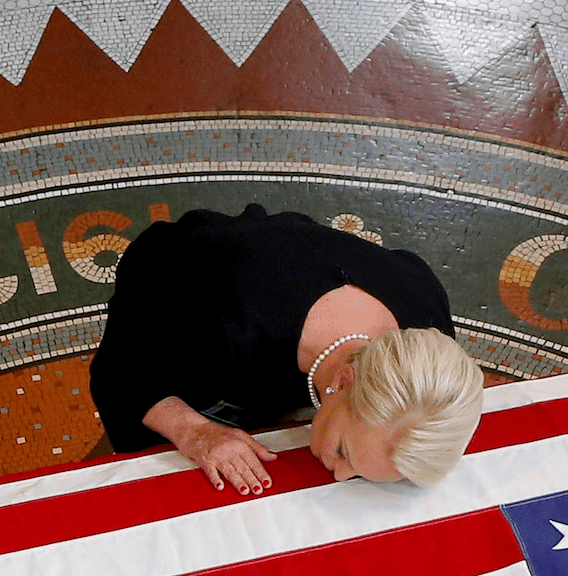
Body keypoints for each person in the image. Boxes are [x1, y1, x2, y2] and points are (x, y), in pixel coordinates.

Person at [89, 205, 484, 495]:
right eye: (344, 453)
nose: (341, 475)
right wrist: (194, 432)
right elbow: (119, 375)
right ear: (343, 380)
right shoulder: (220, 328)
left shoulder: (427, 329)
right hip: (176, 291)